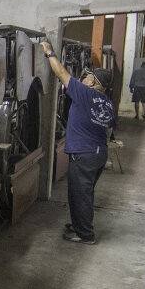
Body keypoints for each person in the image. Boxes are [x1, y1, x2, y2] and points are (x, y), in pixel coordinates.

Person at [40, 41, 115, 244]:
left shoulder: (85, 94)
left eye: (88, 76)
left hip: (84, 155)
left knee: (79, 194)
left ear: (93, 82)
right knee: (84, 192)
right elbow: (108, 130)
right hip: (98, 153)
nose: (84, 77)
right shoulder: (107, 102)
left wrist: (49, 52)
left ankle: (85, 235)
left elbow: (61, 73)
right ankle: (81, 224)